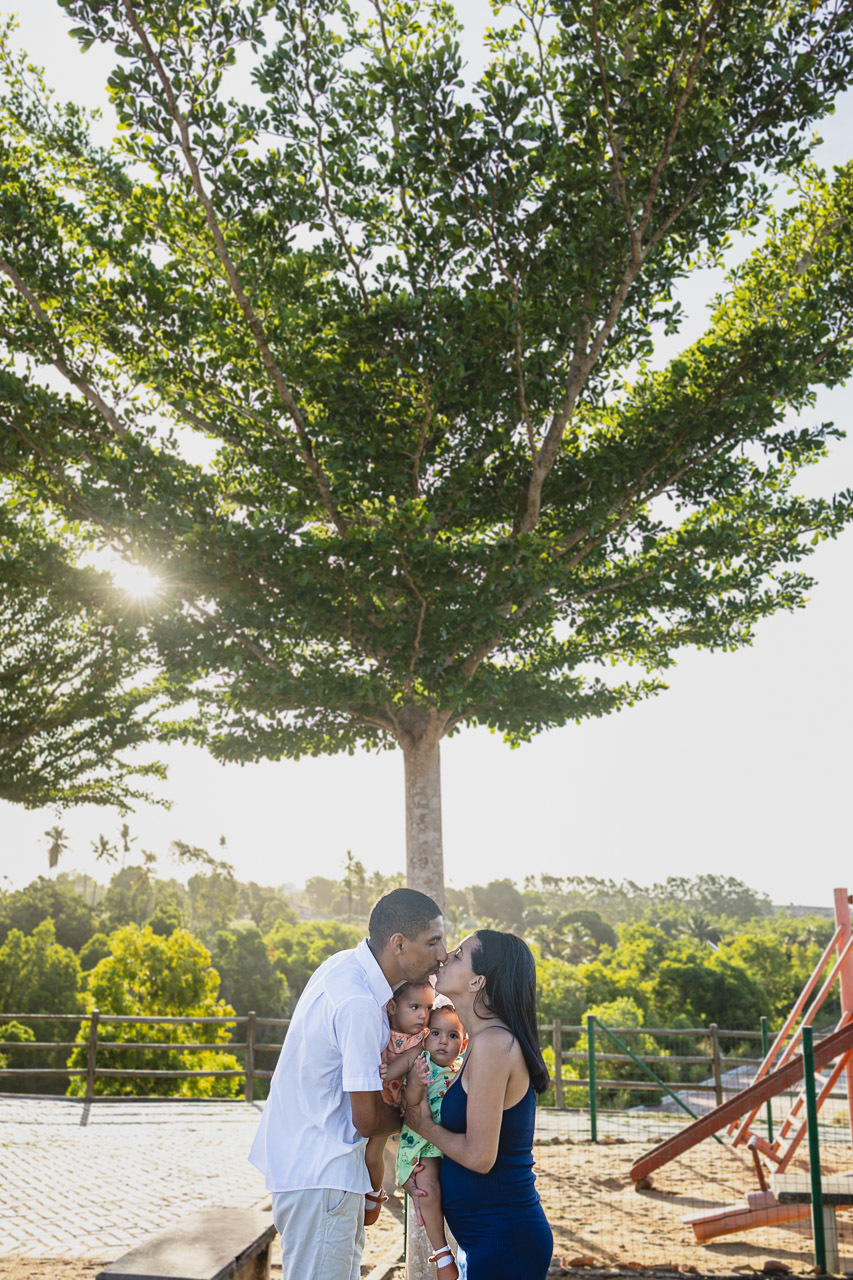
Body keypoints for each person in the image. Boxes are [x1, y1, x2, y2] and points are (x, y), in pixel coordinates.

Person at [249, 887, 447, 1280]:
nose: (441, 954)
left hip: (312, 1172)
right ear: (399, 943)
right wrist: (417, 1114)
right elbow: (368, 1120)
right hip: (324, 1176)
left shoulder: (343, 967)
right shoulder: (358, 1003)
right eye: (434, 941)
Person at [402, 929, 553, 1280]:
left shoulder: (493, 1045)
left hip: (503, 1242)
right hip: (485, 1241)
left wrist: (422, 1125)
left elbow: (479, 1157)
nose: (444, 957)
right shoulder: (478, 1043)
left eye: (457, 955)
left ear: (477, 982)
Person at [395, 1001, 468, 1279]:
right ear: (425, 1036)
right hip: (421, 1143)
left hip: (450, 1142)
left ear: (463, 1044)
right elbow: (411, 1104)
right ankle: (440, 1252)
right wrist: (416, 1082)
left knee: (450, 1191)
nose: (443, 1041)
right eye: (435, 1033)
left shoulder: (461, 1070)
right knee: (427, 1187)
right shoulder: (420, 1065)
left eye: (452, 1036)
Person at [363, 979, 434, 1224]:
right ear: (392, 1007)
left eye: (427, 1008)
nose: (422, 1015)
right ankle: (373, 1194)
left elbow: (410, 1059)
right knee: (371, 1155)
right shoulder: (380, 1025)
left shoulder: (422, 1038)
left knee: (407, 1157)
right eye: (414, 1007)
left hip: (404, 1106)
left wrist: (391, 1071)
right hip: (379, 1103)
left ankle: (388, 1195)